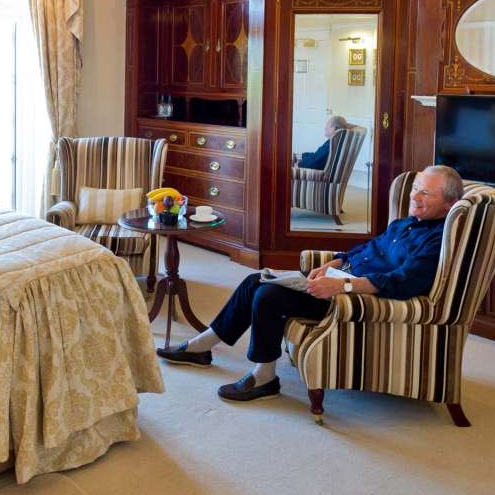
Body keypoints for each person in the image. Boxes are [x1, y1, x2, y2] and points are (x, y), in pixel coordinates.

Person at [156, 165, 465, 402]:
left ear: (450, 204)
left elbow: (403, 282)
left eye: (426, 193)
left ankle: (264, 377)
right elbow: (369, 250)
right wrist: (334, 263)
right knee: (256, 279)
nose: (414, 196)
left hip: (355, 300)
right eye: (415, 188)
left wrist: (343, 286)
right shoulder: (404, 222)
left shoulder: (437, 239)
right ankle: (203, 346)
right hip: (339, 280)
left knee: (268, 296)